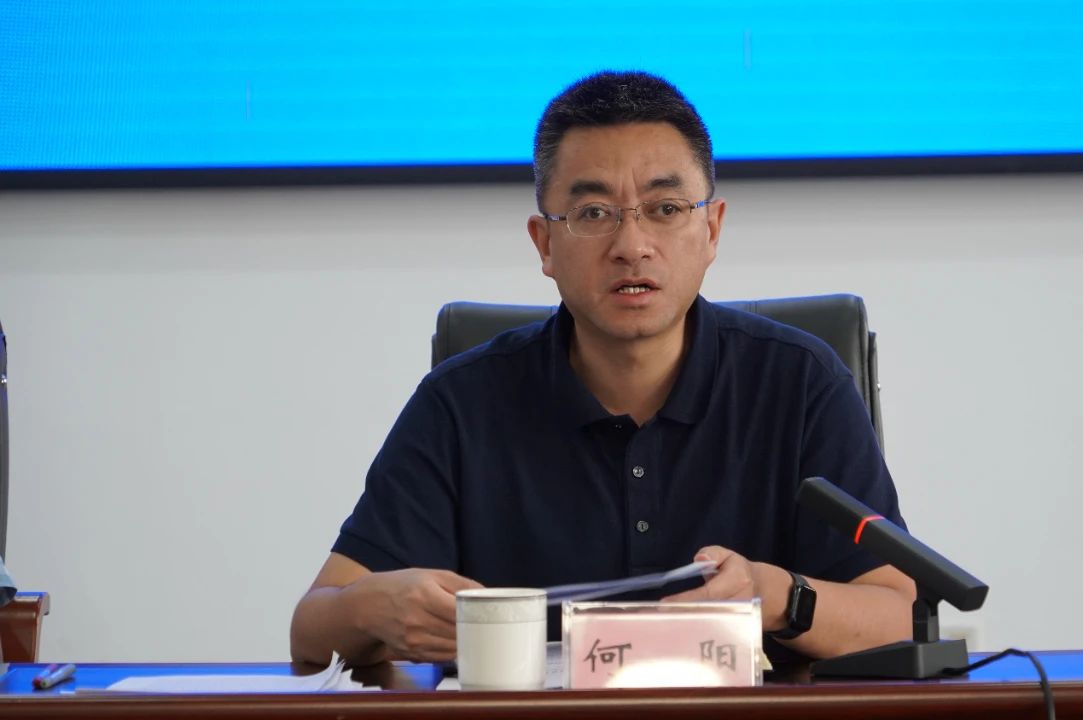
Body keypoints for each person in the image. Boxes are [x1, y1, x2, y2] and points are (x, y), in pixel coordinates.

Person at [290, 70, 914, 666]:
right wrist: (374, 610)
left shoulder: (801, 383)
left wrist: (777, 596)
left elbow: (901, 615)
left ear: (711, 229)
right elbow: (311, 628)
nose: (631, 245)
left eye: (665, 208)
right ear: (544, 243)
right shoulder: (462, 402)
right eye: (593, 213)